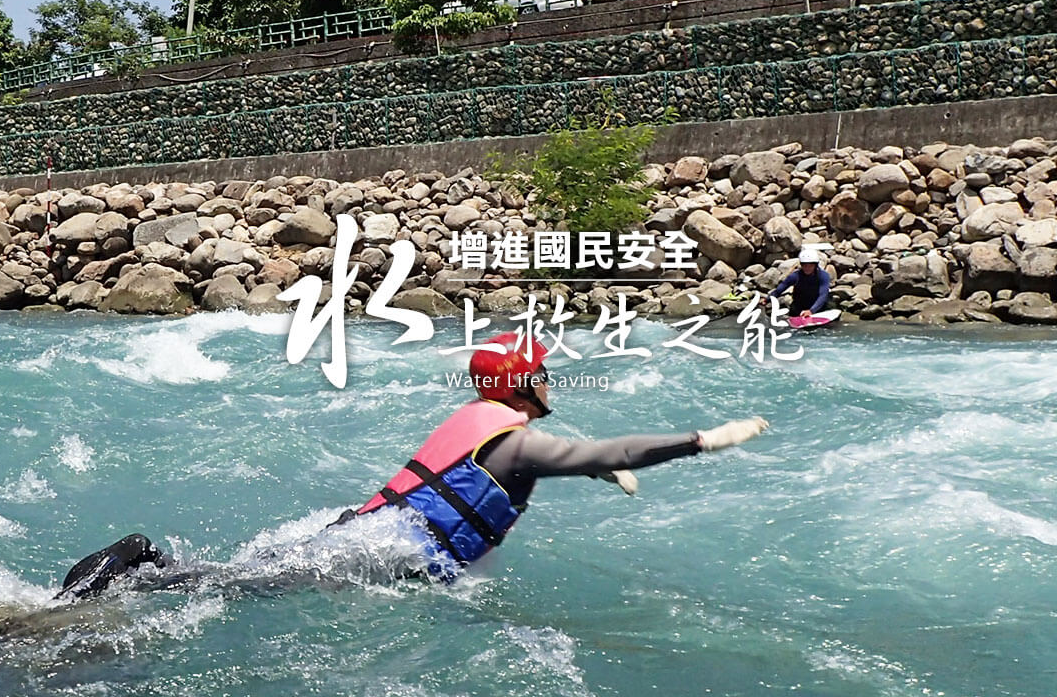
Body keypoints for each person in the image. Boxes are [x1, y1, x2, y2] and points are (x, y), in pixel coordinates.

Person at [54, 334, 772, 597]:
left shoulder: (481, 418)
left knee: (244, 574)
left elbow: (559, 462)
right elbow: (602, 450)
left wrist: (593, 470)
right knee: (232, 587)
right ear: (523, 385)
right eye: (544, 373)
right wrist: (702, 440)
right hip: (386, 547)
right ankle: (138, 558)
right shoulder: (519, 440)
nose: (552, 382)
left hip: (360, 525)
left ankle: (146, 565)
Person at [770, 246, 834, 319]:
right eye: (805, 265)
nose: (807, 268)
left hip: (819, 306)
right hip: (800, 305)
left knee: (830, 304)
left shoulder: (823, 276)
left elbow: (823, 295)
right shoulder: (795, 276)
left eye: (810, 265)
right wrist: (767, 299)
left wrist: (811, 311)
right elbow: (779, 290)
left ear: (815, 265)